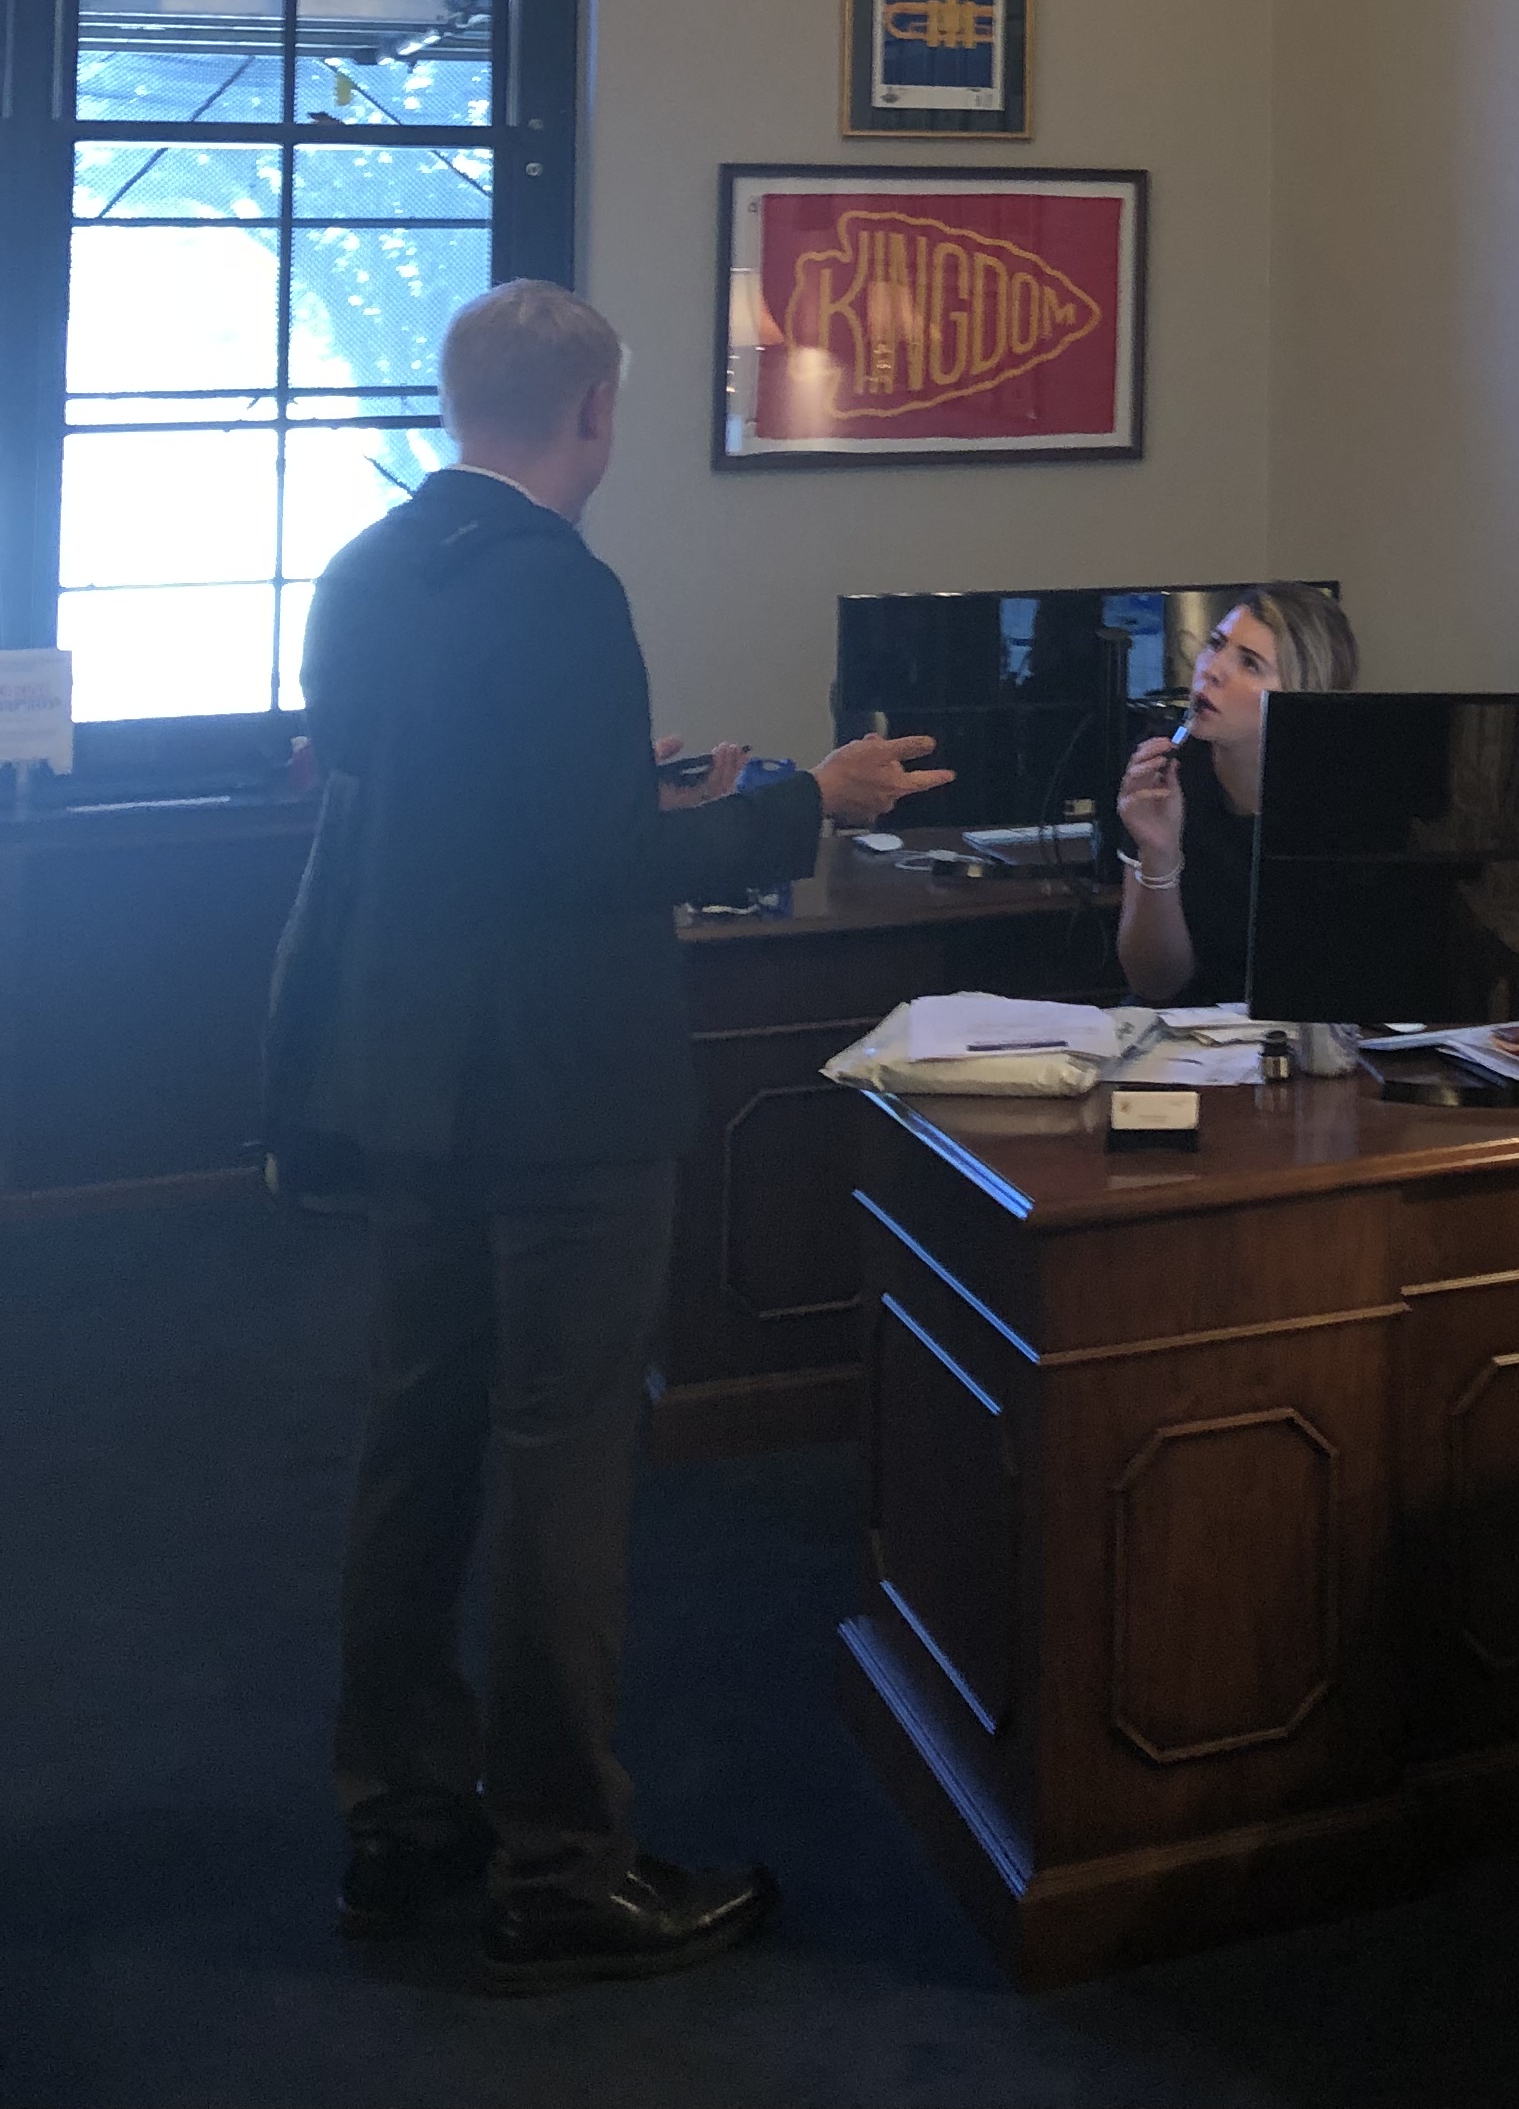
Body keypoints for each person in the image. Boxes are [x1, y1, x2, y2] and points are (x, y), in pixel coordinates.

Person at [284, 281, 947, 1992]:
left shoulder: (367, 571)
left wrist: (627, 777)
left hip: (407, 1079)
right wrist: (811, 796)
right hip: (562, 1096)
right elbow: (590, 864)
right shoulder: (561, 586)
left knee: (414, 1445)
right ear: (591, 409)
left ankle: (399, 1815)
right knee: (563, 1463)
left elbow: (406, 796)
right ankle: (566, 1863)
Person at [1112, 585, 1360, 1006]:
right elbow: (1154, 983)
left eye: (1249, 663)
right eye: (1215, 644)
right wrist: (1159, 855)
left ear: (1302, 695)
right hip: (1187, 1034)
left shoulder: (1348, 799)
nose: (1211, 669)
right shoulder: (1167, 777)